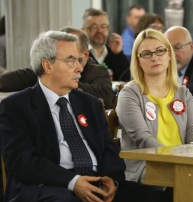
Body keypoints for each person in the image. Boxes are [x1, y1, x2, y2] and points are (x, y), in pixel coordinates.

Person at [0, 30, 171, 202]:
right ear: (47, 66)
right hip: (50, 185)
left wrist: (112, 180)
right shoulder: (16, 106)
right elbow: (22, 162)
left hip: (97, 182)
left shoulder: (90, 104)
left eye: (79, 60)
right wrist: (73, 181)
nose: (80, 68)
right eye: (71, 60)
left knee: (159, 197)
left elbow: (108, 150)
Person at [116, 29, 193, 183]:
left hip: (183, 166)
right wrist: (177, 161)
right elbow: (144, 139)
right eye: (146, 54)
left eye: (159, 51)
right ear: (138, 61)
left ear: (169, 54)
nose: (154, 58)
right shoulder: (129, 94)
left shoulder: (183, 93)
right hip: (147, 168)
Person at [0, 27, 114, 109]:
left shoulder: (96, 71)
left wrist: (63, 82)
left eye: (73, 58)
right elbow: (24, 76)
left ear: (85, 55)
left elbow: (105, 97)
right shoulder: (49, 69)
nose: (77, 67)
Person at [82, 8, 130, 81]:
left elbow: (126, 80)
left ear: (108, 29)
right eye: (94, 27)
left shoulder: (113, 54)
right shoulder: (80, 55)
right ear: (83, 30)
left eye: (103, 26)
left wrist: (118, 54)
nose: (99, 30)